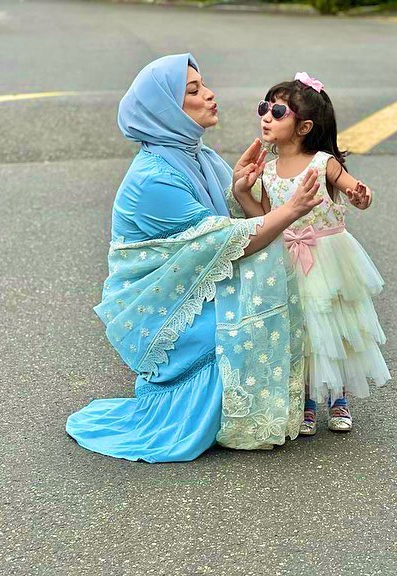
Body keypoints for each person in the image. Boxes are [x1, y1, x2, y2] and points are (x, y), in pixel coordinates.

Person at [65, 54, 323, 462]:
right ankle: (239, 414)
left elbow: (235, 231)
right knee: (261, 279)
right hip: (159, 308)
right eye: (193, 90)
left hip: (188, 287)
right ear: (167, 109)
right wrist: (290, 210)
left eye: (203, 85)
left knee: (269, 266)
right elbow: (230, 242)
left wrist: (239, 192)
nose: (209, 94)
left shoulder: (196, 155)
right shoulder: (156, 177)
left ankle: (256, 406)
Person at [232, 73, 390, 436]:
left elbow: (354, 190)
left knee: (334, 328)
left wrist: (361, 195)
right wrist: (245, 196)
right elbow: (267, 220)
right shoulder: (267, 171)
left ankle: (338, 398)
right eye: (264, 108)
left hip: (328, 255)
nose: (266, 116)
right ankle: (305, 400)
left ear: (303, 126)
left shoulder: (322, 163)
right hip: (288, 256)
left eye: (277, 111)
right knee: (299, 330)